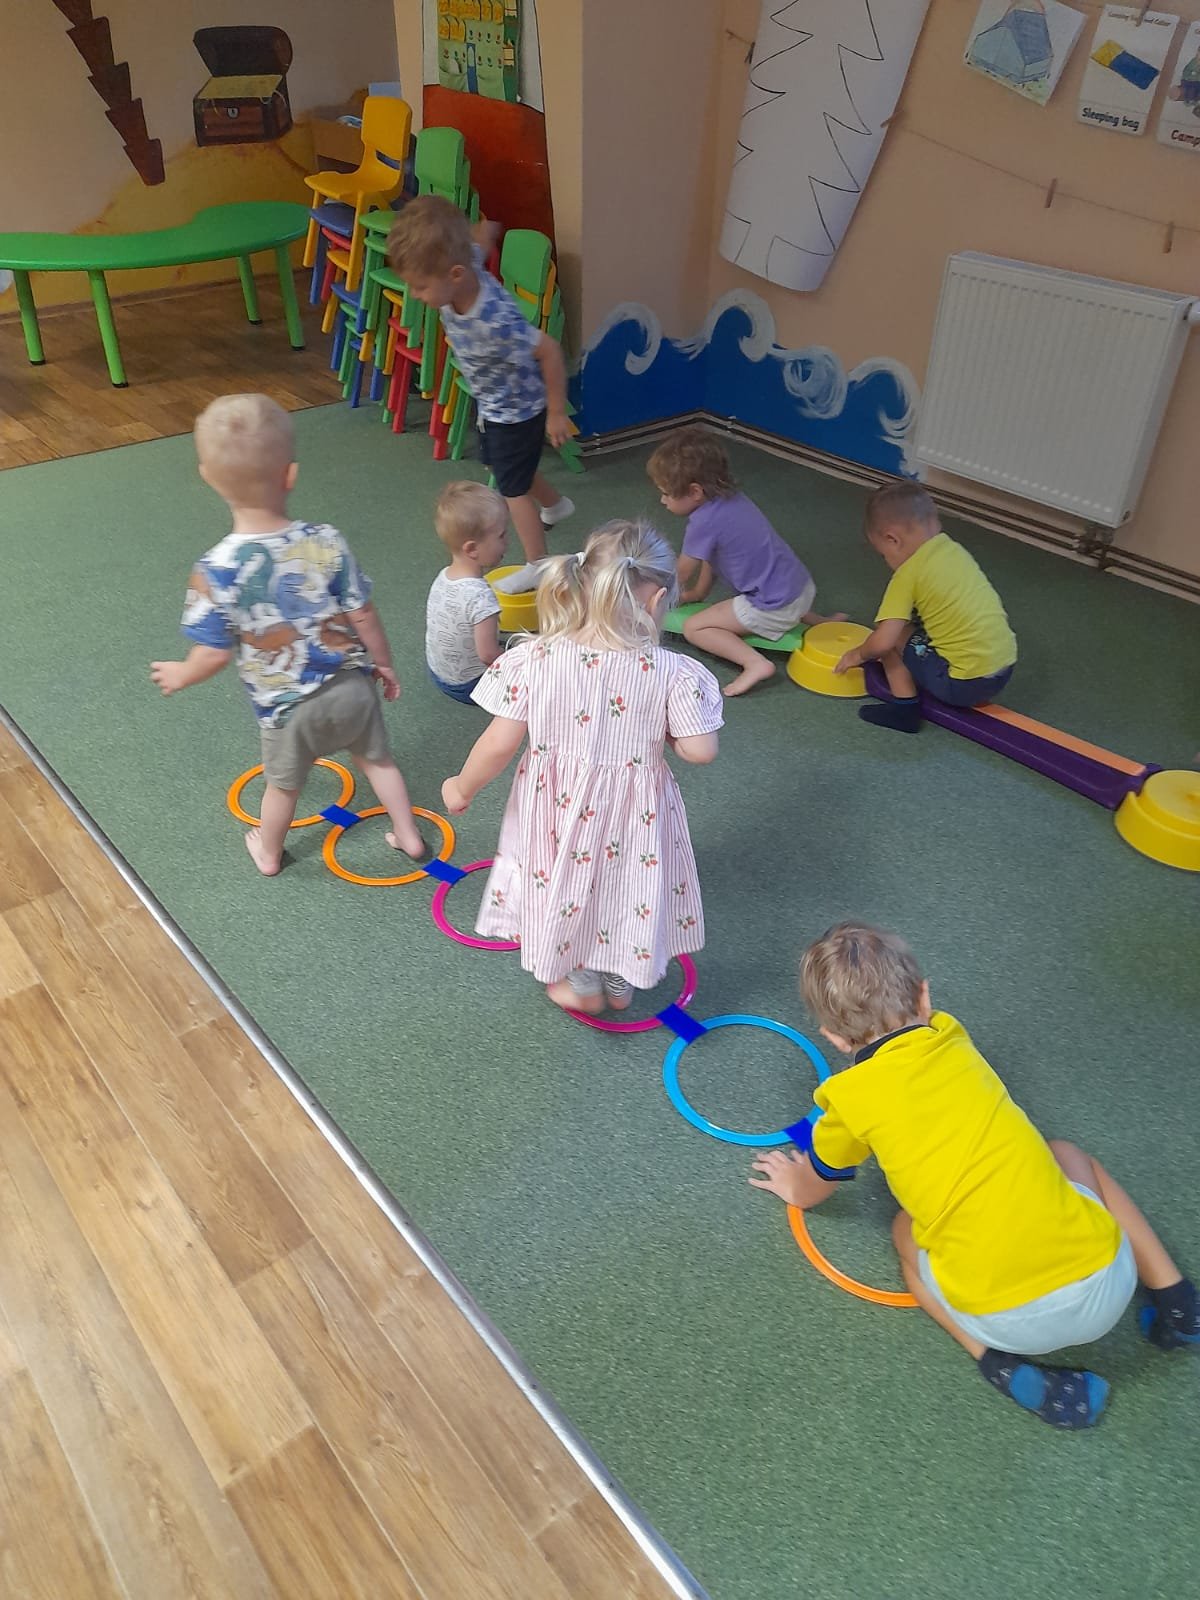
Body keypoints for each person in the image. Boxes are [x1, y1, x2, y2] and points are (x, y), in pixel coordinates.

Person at [749, 922, 1200, 1429]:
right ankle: (1177, 1299)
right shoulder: (951, 1035)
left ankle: (1000, 1365)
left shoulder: (848, 1098)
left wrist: (794, 1184)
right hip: (1107, 1280)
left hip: (1008, 1319)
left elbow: (815, 1188)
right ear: (925, 997)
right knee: (1067, 1155)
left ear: (833, 1038)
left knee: (904, 1234)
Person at [441, 520, 724, 1014]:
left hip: (556, 805)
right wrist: (674, 737)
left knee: (564, 883)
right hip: (634, 812)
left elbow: (499, 744)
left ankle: (583, 984)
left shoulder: (536, 658)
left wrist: (461, 787)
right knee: (625, 885)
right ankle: (619, 981)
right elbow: (701, 750)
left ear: (581, 584)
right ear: (658, 600)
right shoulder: (673, 673)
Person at [150, 394, 427, 876]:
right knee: (378, 761)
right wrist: (383, 663)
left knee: (283, 787)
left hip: (288, 710)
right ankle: (408, 833)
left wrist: (182, 673)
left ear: (208, 478)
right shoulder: (326, 539)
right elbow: (362, 612)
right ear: (290, 475)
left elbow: (213, 654)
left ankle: (269, 852)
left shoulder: (215, 569)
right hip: (352, 687)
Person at [387, 195, 574, 595]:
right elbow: (478, 243)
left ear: (454, 275)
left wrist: (557, 411)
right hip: (492, 401)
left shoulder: (496, 321)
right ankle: (556, 505)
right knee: (507, 467)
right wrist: (487, 231)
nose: (414, 294)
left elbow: (549, 350)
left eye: (420, 286)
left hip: (518, 410)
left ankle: (539, 565)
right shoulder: (461, 267)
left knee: (511, 489)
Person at [647, 426, 843, 698]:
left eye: (667, 493)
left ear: (695, 492)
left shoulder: (703, 523)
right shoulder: (733, 499)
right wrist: (699, 593)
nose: (662, 500)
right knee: (775, 582)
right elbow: (712, 555)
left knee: (694, 627)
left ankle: (754, 663)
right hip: (802, 588)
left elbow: (681, 573)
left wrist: (654, 600)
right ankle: (818, 620)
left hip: (774, 607)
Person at [834, 482, 1017, 733]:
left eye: (883, 554)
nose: (887, 561)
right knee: (920, 621)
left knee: (893, 635)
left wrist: (857, 655)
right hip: (1004, 668)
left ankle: (905, 711)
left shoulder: (907, 574)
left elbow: (883, 642)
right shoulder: (953, 550)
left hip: (963, 685)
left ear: (892, 539)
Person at [426, 480, 508, 705]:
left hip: (438, 672)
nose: (507, 542)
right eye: (501, 536)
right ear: (472, 549)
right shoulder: (481, 598)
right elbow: (488, 655)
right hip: (470, 684)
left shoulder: (443, 576)